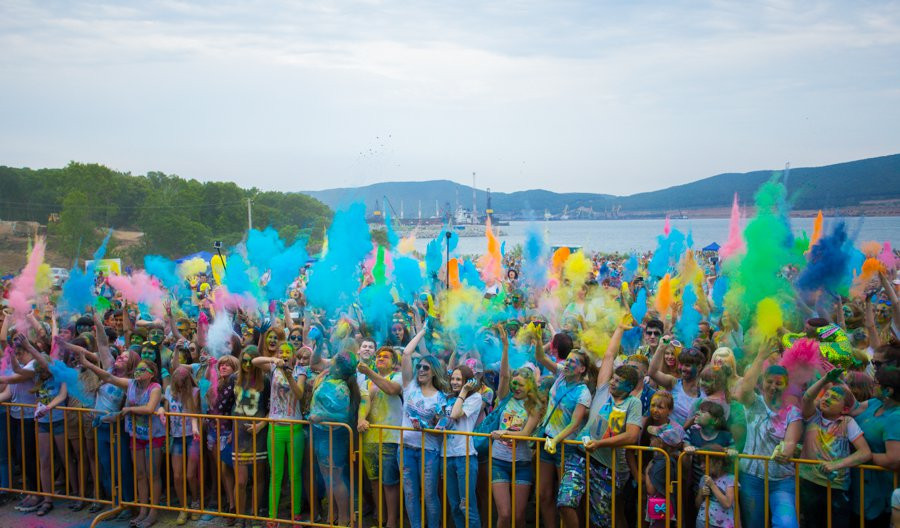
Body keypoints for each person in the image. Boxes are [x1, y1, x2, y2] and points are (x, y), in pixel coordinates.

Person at [561, 320, 641, 528]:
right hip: (580, 455)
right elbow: (609, 356)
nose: (612, 382)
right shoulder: (604, 388)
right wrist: (619, 329)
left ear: (630, 387)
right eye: (613, 378)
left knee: (600, 521)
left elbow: (632, 435)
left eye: (618, 381)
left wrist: (599, 444)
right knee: (565, 502)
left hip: (606, 467)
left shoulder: (633, 403)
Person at [82, 354, 164, 528]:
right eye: (137, 369)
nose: (138, 372)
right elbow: (108, 377)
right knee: (140, 474)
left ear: (151, 374)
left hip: (153, 436)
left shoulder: (155, 388)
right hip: (136, 435)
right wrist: (86, 363)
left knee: (153, 474)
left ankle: (153, 512)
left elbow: (150, 408)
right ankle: (142, 510)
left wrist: (129, 409)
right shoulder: (130, 384)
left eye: (142, 370)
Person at [735, 346, 803, 528]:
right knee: (754, 524)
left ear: (786, 386)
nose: (773, 387)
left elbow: (791, 441)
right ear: (762, 382)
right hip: (751, 476)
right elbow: (744, 389)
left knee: (787, 524)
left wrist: (785, 452)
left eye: (779, 383)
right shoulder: (753, 403)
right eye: (769, 382)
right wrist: (759, 357)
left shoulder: (793, 412)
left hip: (782, 480)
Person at [533, 326, 592, 528]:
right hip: (547, 440)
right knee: (543, 494)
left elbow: (575, 424)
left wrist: (556, 440)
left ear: (582, 369)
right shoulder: (560, 374)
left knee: (565, 498)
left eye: (573, 362)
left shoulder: (583, 393)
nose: (567, 364)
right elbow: (540, 357)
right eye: (567, 360)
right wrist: (538, 339)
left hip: (566, 447)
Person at [798, 369, 871, 528]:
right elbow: (807, 398)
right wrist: (825, 380)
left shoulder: (847, 422)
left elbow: (865, 453)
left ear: (844, 409)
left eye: (835, 398)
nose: (827, 399)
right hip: (809, 483)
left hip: (836, 487)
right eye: (826, 395)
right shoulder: (813, 416)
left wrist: (837, 464)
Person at [490, 325, 543, 528]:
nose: (516, 388)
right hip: (499, 462)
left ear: (529, 386)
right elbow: (504, 375)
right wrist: (505, 348)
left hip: (522, 463)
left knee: (519, 517)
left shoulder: (534, 405)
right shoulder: (505, 397)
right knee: (504, 515)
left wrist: (504, 433)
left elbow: (526, 434)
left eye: (521, 385)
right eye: (515, 384)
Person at [252, 342, 308, 527]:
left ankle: (296, 514)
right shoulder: (273, 368)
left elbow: (299, 394)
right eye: (281, 352)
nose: (284, 354)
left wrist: (289, 375)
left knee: (295, 474)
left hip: (294, 428)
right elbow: (254, 361)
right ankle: (272, 516)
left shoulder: (300, 371)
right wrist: (272, 359)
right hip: (275, 427)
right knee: (276, 474)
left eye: (288, 352)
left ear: (293, 355)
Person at [399, 324, 447, 528]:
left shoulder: (441, 398)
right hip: (406, 449)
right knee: (410, 494)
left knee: (429, 496)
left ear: (434, 372)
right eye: (419, 367)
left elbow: (441, 427)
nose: (420, 370)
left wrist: (427, 426)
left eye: (425, 367)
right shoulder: (409, 387)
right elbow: (406, 353)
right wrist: (422, 331)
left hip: (429, 451)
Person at [308, 347, 359, 527]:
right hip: (320, 433)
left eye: (334, 359)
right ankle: (333, 514)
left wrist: (322, 417)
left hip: (333, 436)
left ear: (338, 366)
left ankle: (344, 519)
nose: (330, 360)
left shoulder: (341, 388)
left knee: (335, 478)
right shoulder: (329, 377)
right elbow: (314, 362)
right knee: (327, 477)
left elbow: (344, 417)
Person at [357, 346, 403, 528]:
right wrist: (361, 419)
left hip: (390, 438)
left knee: (389, 482)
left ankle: (391, 522)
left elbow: (391, 390)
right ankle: (380, 519)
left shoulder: (398, 377)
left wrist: (369, 371)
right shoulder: (367, 383)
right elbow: (364, 402)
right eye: (378, 356)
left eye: (385, 357)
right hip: (370, 437)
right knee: (374, 481)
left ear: (394, 363)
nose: (380, 358)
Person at [849, 364, 900, 526]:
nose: (872, 385)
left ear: (888, 390)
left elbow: (893, 459)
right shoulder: (875, 403)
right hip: (859, 486)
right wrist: (836, 382)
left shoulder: (896, 417)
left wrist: (862, 455)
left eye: (876, 383)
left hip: (878, 492)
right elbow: (854, 408)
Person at [159, 365, 202, 525]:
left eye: (182, 381)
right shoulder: (169, 390)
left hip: (192, 437)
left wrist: (195, 428)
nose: (179, 384)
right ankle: (183, 507)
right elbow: (165, 406)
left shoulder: (194, 392)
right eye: (177, 381)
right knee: (177, 475)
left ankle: (195, 503)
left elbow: (194, 414)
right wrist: (162, 409)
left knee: (190, 474)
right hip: (176, 437)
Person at [444, 364, 483, 528]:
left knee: (467, 506)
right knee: (454, 506)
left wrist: (464, 391)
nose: (454, 382)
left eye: (459, 379)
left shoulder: (475, 398)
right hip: (446, 456)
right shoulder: (447, 398)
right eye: (453, 378)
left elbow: (455, 414)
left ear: (467, 381)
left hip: (464, 456)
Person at [649, 337, 705, 425]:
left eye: (687, 365)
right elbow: (652, 373)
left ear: (699, 367)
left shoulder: (705, 391)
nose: (683, 368)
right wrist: (661, 347)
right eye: (681, 364)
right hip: (671, 432)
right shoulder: (673, 383)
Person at [645, 423, 684, 527]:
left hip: (660, 506)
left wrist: (647, 470)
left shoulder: (662, 463)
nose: (650, 440)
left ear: (661, 444)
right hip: (664, 504)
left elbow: (651, 489)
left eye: (653, 438)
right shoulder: (668, 459)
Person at [694, 445, 736, 528]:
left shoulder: (730, 479)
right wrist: (701, 494)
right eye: (700, 463)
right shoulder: (704, 478)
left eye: (705, 462)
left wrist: (712, 485)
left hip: (723, 524)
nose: (701, 466)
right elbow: (697, 505)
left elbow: (727, 504)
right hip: (703, 521)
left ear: (719, 463)